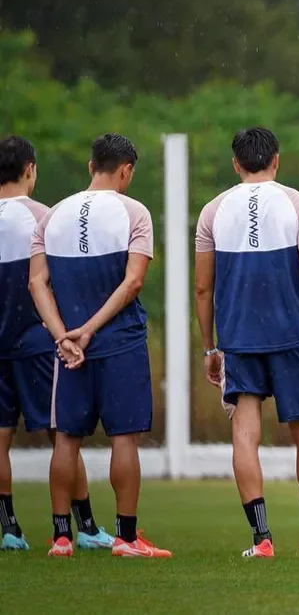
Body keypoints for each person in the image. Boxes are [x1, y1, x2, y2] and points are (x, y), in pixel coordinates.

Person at [195, 127, 299, 558]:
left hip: (237, 338)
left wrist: (210, 348)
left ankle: (261, 539)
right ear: (277, 160)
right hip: (288, 336)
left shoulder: (213, 210)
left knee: (245, 435)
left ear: (235, 164)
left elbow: (203, 289)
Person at [30, 133, 170, 558]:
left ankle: (60, 537)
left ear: (91, 167)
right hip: (119, 341)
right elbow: (133, 281)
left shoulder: (52, 216)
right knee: (123, 439)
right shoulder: (135, 212)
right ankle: (127, 538)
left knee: (67, 439)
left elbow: (37, 282)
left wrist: (63, 336)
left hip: (68, 347)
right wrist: (89, 330)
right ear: (126, 170)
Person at [0, 137, 112, 552]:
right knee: (62, 435)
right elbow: (50, 283)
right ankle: (77, 526)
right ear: (30, 168)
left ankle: (10, 529)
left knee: (0, 438)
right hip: (35, 342)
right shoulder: (46, 218)